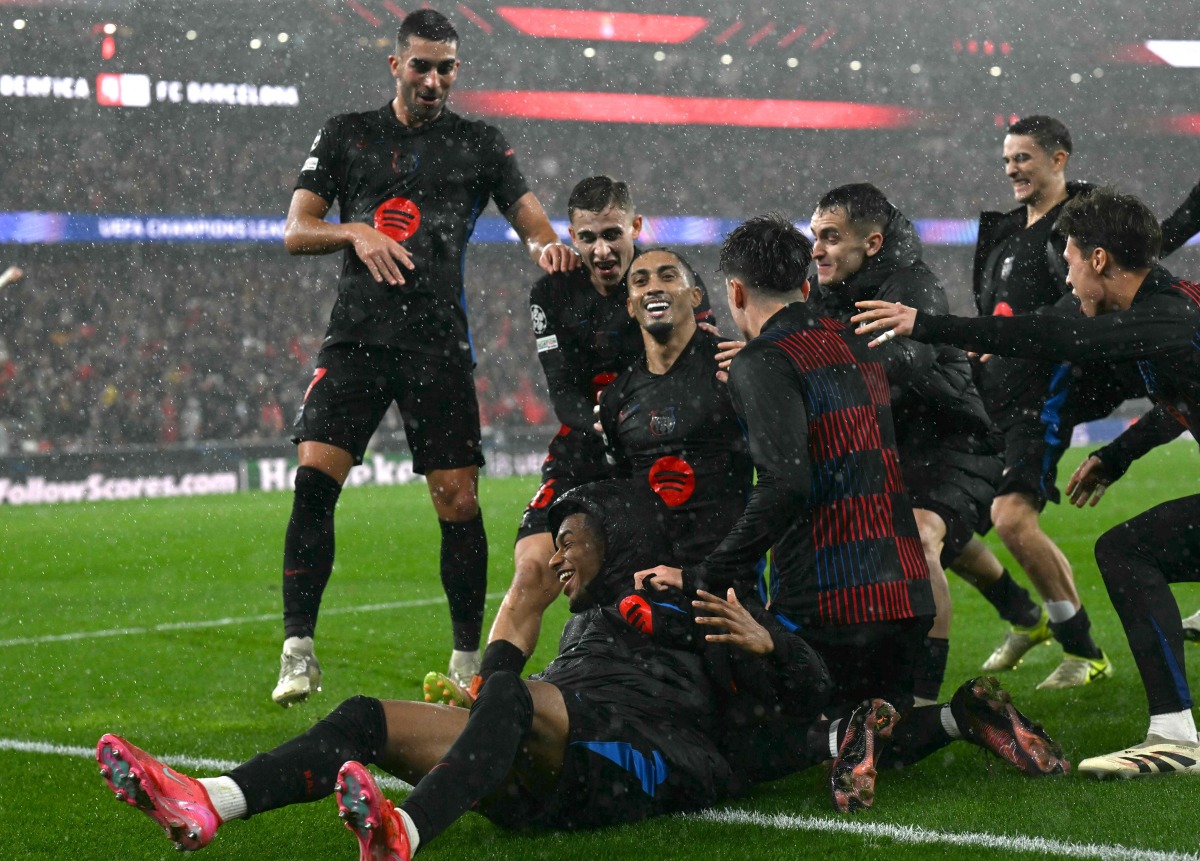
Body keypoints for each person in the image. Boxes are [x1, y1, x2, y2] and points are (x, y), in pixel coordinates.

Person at [96, 480, 795, 858]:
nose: (556, 559)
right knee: (366, 716)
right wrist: (488, 703)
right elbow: (533, 675)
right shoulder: (586, 620)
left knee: (513, 694)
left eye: (570, 542)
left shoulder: (692, 599)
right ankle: (212, 800)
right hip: (542, 764)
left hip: (633, 761)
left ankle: (407, 830)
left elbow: (776, 701)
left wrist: (769, 652)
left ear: (615, 540)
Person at [637, 215, 1067, 810]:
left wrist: (710, 571)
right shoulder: (856, 338)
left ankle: (856, 727)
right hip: (903, 597)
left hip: (827, 605)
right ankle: (960, 716)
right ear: (807, 283)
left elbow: (786, 483)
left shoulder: (762, 360)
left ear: (734, 292)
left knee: (748, 746)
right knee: (877, 723)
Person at [273, 9, 578, 706]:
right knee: (314, 481)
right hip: (355, 337)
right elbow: (296, 229)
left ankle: (467, 658)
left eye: (446, 68)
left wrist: (547, 247)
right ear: (395, 65)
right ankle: (298, 650)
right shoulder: (347, 133)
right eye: (422, 66)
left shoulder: (479, 143)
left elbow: (530, 222)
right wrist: (356, 232)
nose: (434, 80)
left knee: (456, 500)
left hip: (436, 342)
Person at [853, 186, 1200, 777]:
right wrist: (1117, 455)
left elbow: (1060, 340)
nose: (1064, 277)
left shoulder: (1164, 317)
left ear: (1098, 260)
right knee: (1127, 551)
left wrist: (928, 325)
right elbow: (1180, 403)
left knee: (1125, 552)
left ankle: (1176, 737)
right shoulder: (1163, 312)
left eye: (1067, 259)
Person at [423, 181, 714, 706]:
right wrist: (606, 421)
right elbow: (563, 395)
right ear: (572, 238)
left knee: (649, 582)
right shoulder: (553, 295)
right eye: (588, 237)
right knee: (535, 567)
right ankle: (487, 695)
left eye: (612, 234)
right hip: (584, 448)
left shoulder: (667, 281)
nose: (602, 250)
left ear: (636, 228)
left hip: (654, 455)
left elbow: (703, 363)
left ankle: (674, 690)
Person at [968, 118, 1200, 689]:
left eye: (1023, 157)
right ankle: (1026, 615)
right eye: (1006, 160)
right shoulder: (1001, 234)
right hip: (993, 394)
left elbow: (1067, 327)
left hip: (1044, 396)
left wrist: (927, 327)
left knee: (1010, 519)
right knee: (937, 521)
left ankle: (1079, 647)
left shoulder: (1092, 229)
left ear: (1059, 159)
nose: (1012, 169)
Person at [808, 183, 1004, 705]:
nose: (817, 249)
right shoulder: (823, 286)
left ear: (871, 243)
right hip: (891, 444)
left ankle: (921, 696)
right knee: (940, 544)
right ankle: (1024, 612)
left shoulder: (912, 287)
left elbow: (889, 365)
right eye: (814, 237)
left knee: (920, 540)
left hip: (953, 442)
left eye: (830, 237)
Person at [598, 247, 753, 567]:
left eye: (668, 276)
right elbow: (623, 487)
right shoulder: (615, 397)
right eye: (640, 281)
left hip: (727, 580)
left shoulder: (734, 369)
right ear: (630, 306)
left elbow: (775, 477)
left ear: (696, 297)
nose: (653, 287)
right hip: (650, 579)